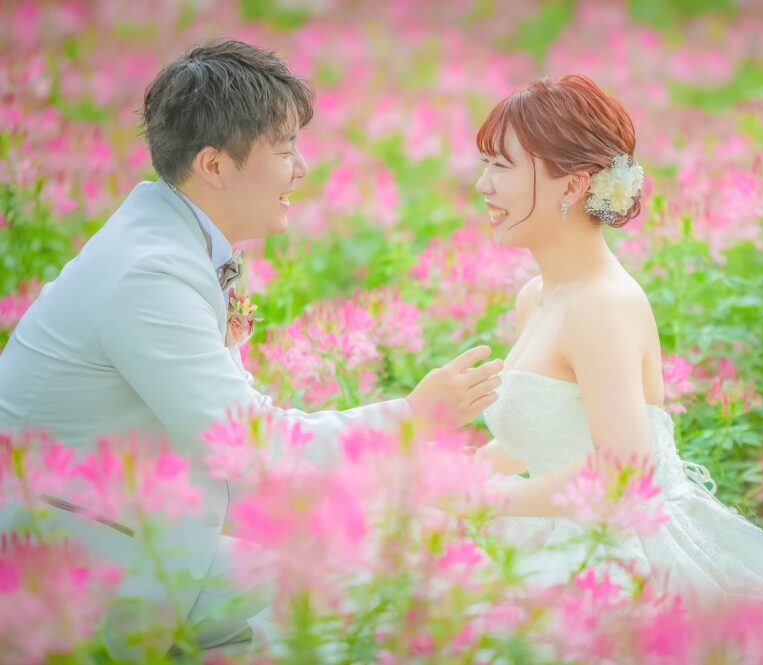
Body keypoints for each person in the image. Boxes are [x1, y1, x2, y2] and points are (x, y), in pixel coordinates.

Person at [0, 40, 501, 657]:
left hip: (135, 527)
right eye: (285, 149)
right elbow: (248, 443)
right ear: (214, 165)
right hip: (68, 563)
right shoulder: (150, 273)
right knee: (357, 598)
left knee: (367, 560)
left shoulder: (177, 241)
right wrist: (411, 417)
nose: (302, 169)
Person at [472, 74, 763, 605]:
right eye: (485, 164)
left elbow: (623, 469)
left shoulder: (601, 305)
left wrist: (491, 501)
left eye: (501, 166)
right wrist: (455, 476)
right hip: (560, 527)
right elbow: (550, 436)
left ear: (573, 185)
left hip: (621, 550)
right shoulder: (536, 296)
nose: (483, 185)